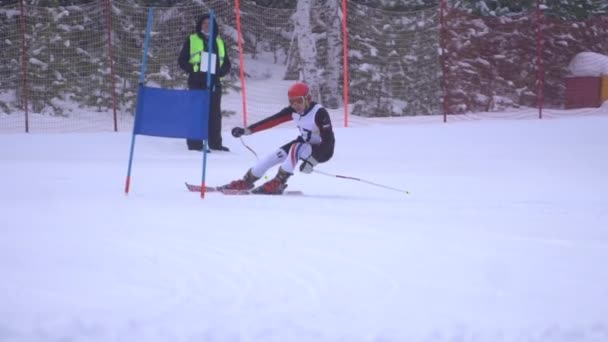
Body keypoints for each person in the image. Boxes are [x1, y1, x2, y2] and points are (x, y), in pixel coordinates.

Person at [223, 82, 335, 194]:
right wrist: (247, 130)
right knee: (273, 156)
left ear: (308, 99)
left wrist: (312, 161)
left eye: (299, 101)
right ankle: (247, 181)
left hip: (320, 150)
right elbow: (272, 121)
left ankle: (278, 182)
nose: (296, 105)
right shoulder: (293, 111)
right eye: (292, 101)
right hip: (303, 145)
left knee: (296, 147)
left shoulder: (319, 112)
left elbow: (329, 142)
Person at [178, 13, 231, 152]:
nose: (207, 26)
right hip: (197, 82)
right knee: (196, 113)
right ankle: (195, 145)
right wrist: (195, 70)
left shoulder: (219, 42)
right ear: (200, 25)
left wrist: (220, 72)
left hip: (214, 83)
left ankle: (215, 144)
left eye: (210, 23)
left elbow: (226, 63)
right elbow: (182, 61)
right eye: (204, 23)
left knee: (214, 115)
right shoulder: (192, 39)